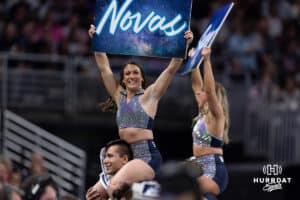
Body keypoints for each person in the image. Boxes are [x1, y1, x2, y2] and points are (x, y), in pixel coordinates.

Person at [87, 24, 193, 198]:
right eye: (127, 73)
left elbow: (171, 69)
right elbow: (104, 68)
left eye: (135, 72)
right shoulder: (119, 97)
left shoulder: (150, 95)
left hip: (146, 157)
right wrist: (97, 40)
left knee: (114, 187)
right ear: (122, 80)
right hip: (127, 157)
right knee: (94, 195)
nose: (131, 76)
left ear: (142, 77)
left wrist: (185, 44)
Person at [189, 47, 229, 199]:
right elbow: (195, 85)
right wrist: (193, 62)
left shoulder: (217, 115)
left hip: (214, 171)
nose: (200, 92)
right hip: (200, 166)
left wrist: (206, 60)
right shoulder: (202, 111)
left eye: (203, 91)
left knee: (181, 185)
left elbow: (210, 91)